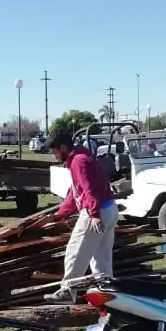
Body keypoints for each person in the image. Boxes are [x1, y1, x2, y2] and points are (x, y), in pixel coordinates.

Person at [44, 126, 117, 303]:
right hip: (108, 210)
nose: (54, 156)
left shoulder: (78, 161)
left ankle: (68, 291)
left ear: (63, 148)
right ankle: (106, 292)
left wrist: (93, 215)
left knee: (74, 252)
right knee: (101, 256)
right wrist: (61, 214)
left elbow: (89, 190)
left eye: (54, 151)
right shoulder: (82, 157)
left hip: (96, 211)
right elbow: (75, 192)